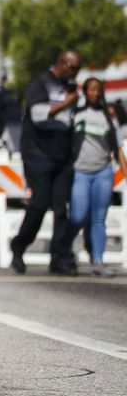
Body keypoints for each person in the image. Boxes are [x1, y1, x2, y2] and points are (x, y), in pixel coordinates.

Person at [10, 50, 82, 275]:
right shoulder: (40, 83)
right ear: (63, 63)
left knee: (61, 210)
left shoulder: (70, 87)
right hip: (38, 154)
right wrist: (67, 103)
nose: (75, 72)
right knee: (39, 205)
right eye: (73, 67)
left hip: (63, 157)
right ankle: (19, 246)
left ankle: (59, 257)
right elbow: (39, 115)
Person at [69, 77, 125, 277]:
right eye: (91, 89)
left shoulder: (107, 118)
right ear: (85, 91)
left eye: (97, 90)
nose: (94, 93)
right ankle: (65, 249)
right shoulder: (75, 113)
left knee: (99, 218)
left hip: (102, 171)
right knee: (78, 216)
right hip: (80, 171)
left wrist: (124, 170)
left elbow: (116, 148)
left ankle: (98, 260)